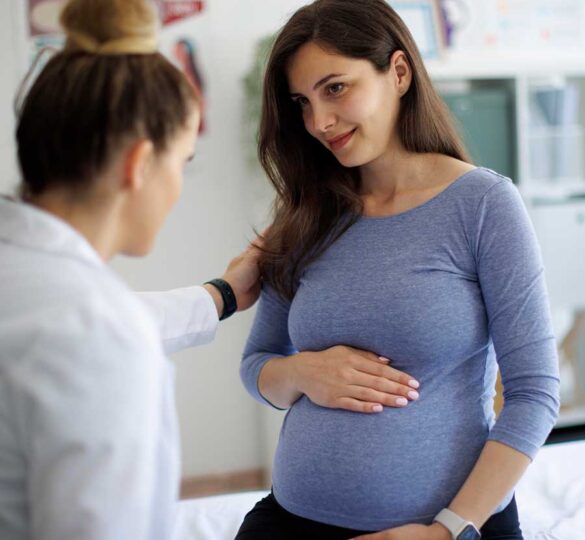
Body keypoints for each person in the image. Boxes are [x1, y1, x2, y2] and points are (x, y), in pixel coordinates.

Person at [238, 1, 560, 539]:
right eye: (302, 102)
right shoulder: (307, 214)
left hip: (445, 528)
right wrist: (301, 374)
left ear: (399, 72)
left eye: (335, 88)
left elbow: (535, 392)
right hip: (291, 518)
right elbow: (257, 365)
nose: (318, 122)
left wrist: (448, 530)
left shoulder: (482, 204)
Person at [0, 0, 262, 538]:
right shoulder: (98, 333)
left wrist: (223, 294)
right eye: (181, 162)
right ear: (139, 164)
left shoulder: (40, 287)